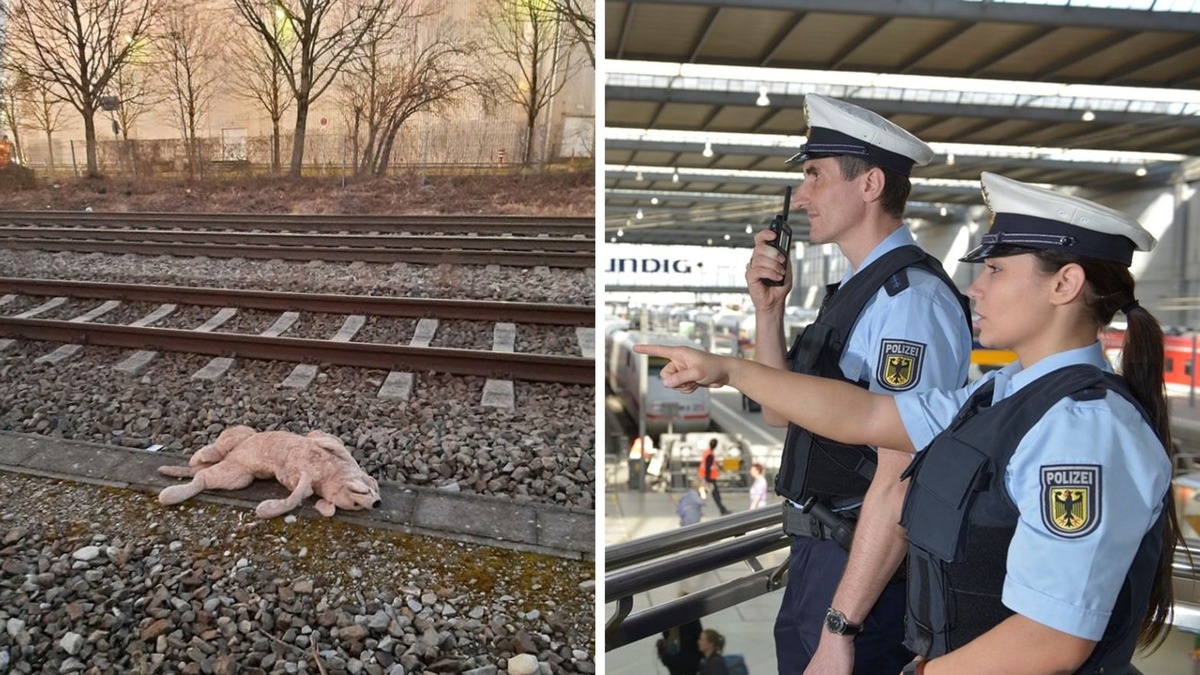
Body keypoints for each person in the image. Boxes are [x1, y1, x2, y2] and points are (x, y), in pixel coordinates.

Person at [637, 171, 1181, 675]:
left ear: (1064, 284)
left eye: (995, 270)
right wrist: (728, 370)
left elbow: (1053, 638)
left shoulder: (1084, 428)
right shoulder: (1001, 393)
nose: (975, 288)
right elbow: (867, 414)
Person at [744, 93, 972, 674]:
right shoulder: (859, 292)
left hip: (863, 570)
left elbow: (899, 476)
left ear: (870, 184)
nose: (802, 197)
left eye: (815, 176)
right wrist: (768, 312)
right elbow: (779, 413)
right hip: (822, 553)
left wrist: (841, 626)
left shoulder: (910, 303)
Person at [657, 609, 704, 675]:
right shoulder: (691, 616)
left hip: (677, 658)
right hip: (689, 658)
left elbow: (665, 635)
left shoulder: (668, 616)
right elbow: (699, 634)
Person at [700, 438, 731, 516]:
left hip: (708, 477)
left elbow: (710, 464)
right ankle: (723, 510)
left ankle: (722, 510)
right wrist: (707, 479)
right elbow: (708, 467)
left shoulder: (707, 452)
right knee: (713, 495)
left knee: (706, 494)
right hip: (709, 478)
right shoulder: (710, 455)